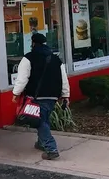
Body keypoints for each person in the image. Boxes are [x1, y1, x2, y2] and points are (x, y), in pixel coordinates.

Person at [12, 32, 70, 160]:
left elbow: (22, 78)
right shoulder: (56, 59)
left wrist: (15, 93)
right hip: (53, 96)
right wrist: (66, 95)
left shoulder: (29, 58)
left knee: (40, 122)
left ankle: (51, 148)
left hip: (36, 96)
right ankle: (41, 143)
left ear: (33, 43)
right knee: (44, 119)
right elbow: (63, 78)